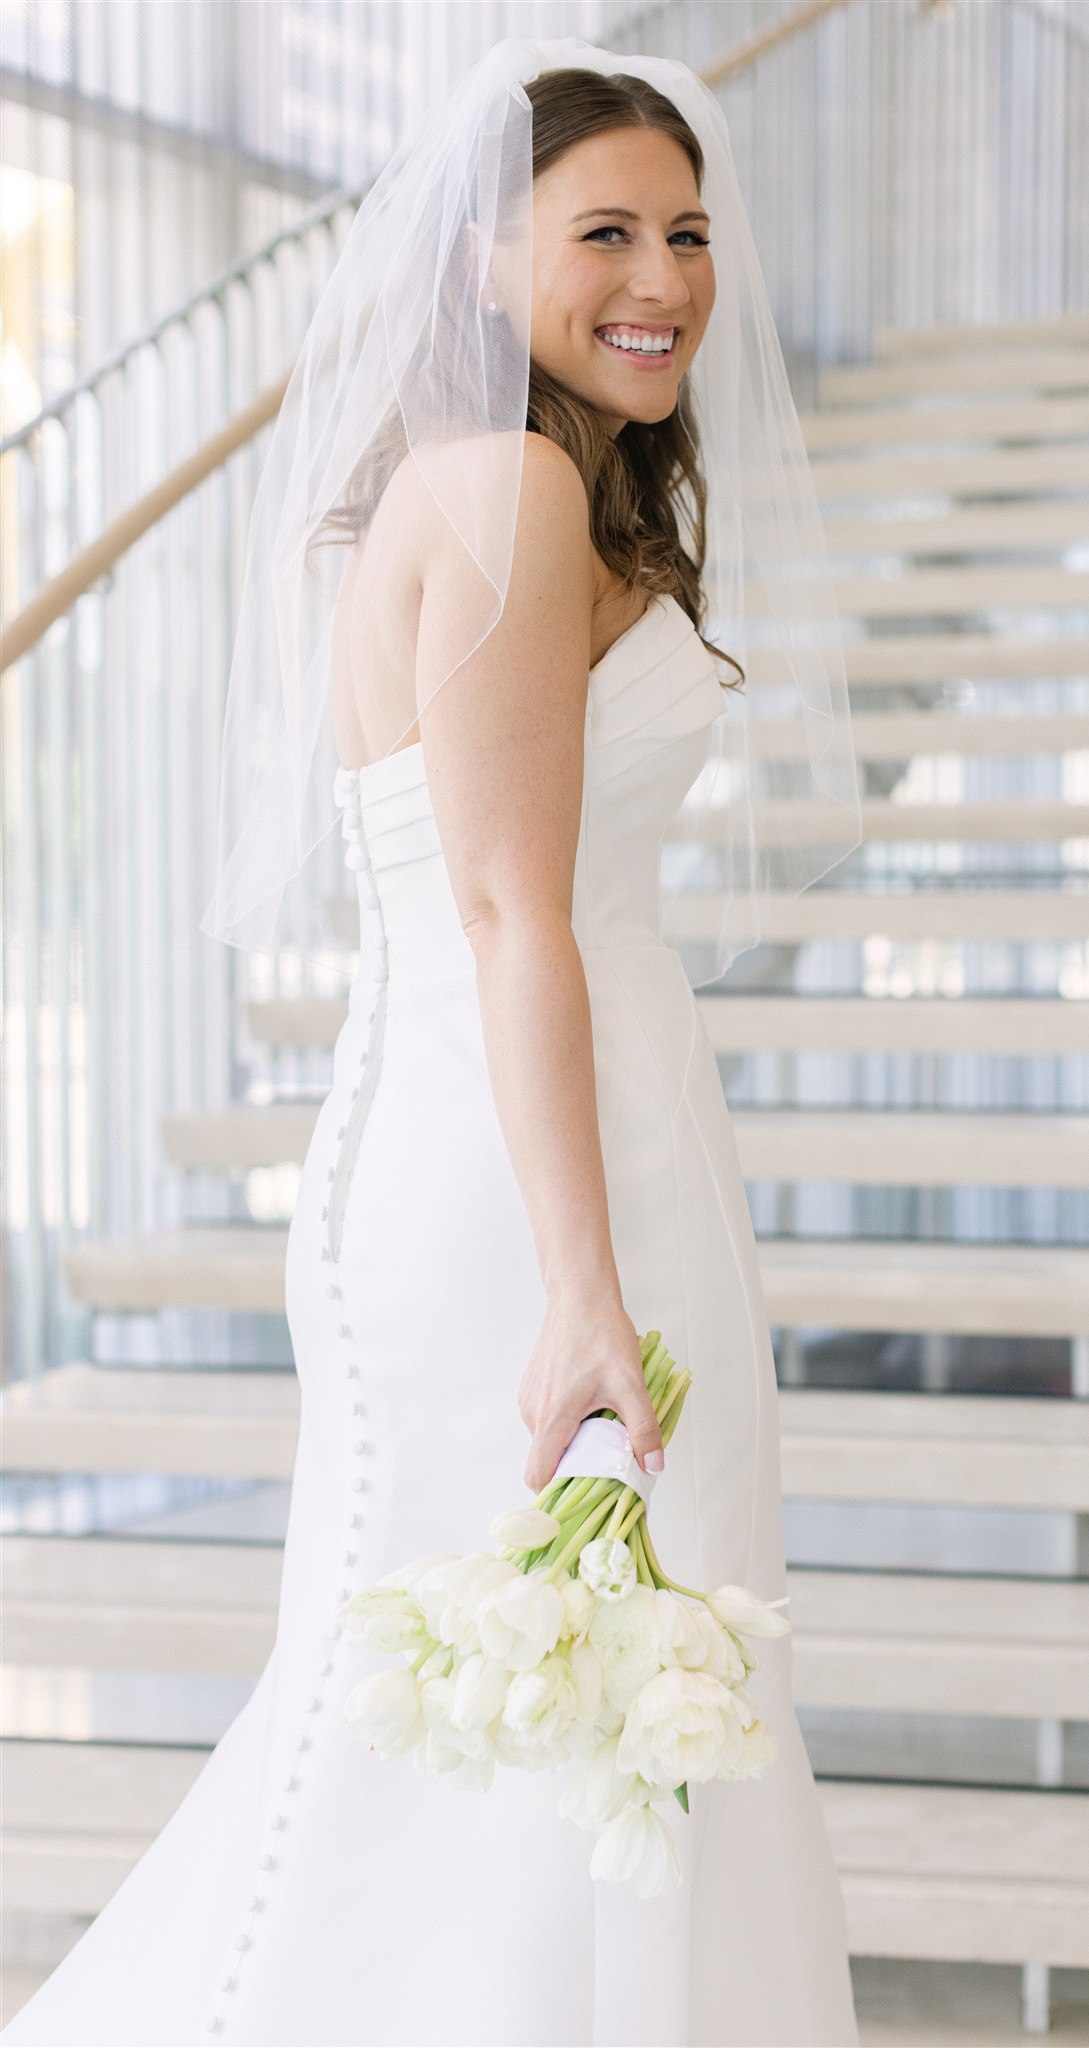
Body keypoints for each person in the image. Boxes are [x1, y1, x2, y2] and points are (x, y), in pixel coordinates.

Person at [3, 36, 862, 2047]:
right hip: (508, 1178)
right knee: (469, 1701)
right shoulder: (495, 487)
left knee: (615, 1688)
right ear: (480, 264)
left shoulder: (549, 487)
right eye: (602, 232)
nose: (661, 274)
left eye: (686, 232)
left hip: (606, 1130)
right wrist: (580, 1283)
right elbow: (505, 911)